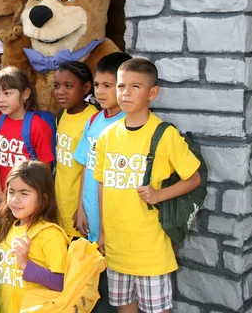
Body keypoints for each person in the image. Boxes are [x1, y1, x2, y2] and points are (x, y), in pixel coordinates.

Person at [94, 58, 201, 313]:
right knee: (124, 307)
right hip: (117, 245)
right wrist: (103, 232)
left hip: (150, 248)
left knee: (157, 309)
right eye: (121, 86)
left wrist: (159, 194)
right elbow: (102, 185)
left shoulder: (164, 134)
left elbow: (194, 178)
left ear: (152, 92)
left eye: (135, 87)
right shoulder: (108, 135)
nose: (125, 93)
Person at [73, 53, 130, 313]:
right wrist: (81, 209)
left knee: (117, 292)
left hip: (114, 223)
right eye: (97, 85)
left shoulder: (126, 124)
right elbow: (86, 165)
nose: (101, 91)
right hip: (91, 218)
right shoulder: (94, 120)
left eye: (108, 86)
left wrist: (107, 229)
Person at [0, 161, 70, 313]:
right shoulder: (7, 226)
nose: (15, 199)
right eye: (11, 192)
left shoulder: (50, 234)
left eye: (24, 193)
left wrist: (25, 264)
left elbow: (61, 283)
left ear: (44, 198)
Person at [0, 66, 54, 201]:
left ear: (25, 94)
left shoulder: (37, 125)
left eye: (7, 93)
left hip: (28, 199)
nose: (1, 99)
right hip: (3, 197)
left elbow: (45, 169)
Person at [53, 61, 98, 238]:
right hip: (61, 203)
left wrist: (83, 208)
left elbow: (92, 169)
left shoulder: (93, 119)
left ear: (86, 87)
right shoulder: (62, 115)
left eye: (68, 86)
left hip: (81, 210)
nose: (60, 91)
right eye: (57, 86)